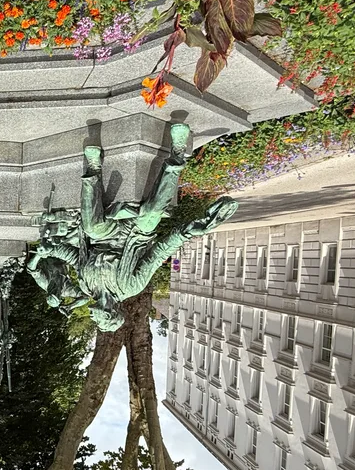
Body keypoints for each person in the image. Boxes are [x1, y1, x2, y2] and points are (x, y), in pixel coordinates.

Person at [75, 123, 238, 331]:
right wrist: (186, 233)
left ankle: (94, 168)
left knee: (90, 225)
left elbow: (76, 255)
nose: (93, 318)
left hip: (103, 236)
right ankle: (177, 154)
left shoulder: (86, 286)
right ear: (110, 313)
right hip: (134, 235)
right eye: (99, 320)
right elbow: (156, 256)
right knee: (152, 213)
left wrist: (49, 252)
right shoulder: (130, 287)